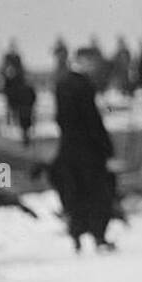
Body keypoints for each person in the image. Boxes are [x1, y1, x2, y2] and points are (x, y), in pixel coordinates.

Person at [51, 47, 118, 253]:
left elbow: (60, 119)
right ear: (83, 61)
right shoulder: (84, 85)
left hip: (69, 148)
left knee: (75, 193)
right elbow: (92, 120)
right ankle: (99, 237)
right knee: (98, 193)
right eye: (92, 61)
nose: (95, 66)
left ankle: (76, 236)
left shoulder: (62, 84)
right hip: (89, 151)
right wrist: (106, 147)